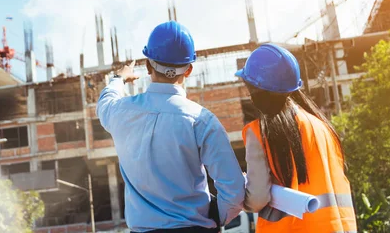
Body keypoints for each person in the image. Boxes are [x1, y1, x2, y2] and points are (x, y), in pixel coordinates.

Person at [97, 21, 245, 233]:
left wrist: (119, 78)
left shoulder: (119, 112)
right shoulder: (201, 120)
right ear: (189, 70)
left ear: (148, 66)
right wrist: (215, 218)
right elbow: (234, 190)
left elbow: (105, 101)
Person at [236, 43, 357, 232]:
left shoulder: (260, 132)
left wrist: (241, 190)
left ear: (257, 88)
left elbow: (257, 199)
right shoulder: (322, 127)